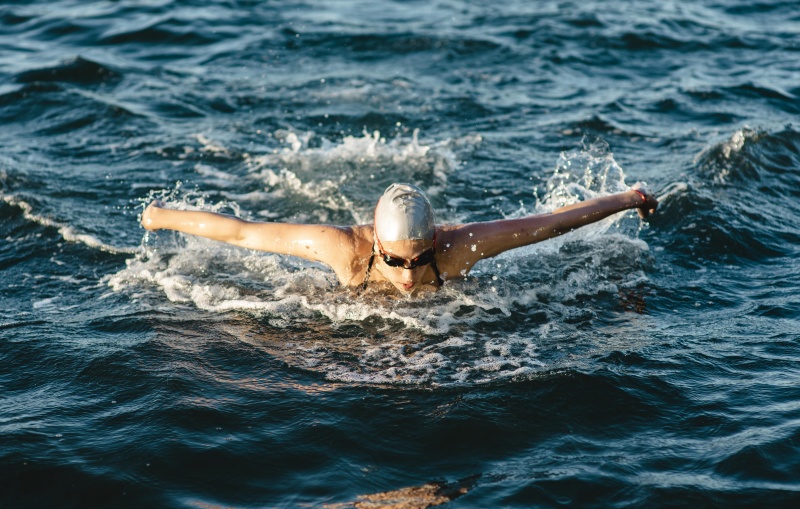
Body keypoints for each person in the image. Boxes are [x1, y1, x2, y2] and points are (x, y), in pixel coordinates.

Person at [141, 183, 658, 294]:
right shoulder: (343, 250)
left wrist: (629, 198)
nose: (409, 277)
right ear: (377, 248)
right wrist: (161, 217)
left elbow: (549, 223)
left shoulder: (460, 248)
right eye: (396, 263)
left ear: (436, 241)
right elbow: (243, 232)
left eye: (420, 261)